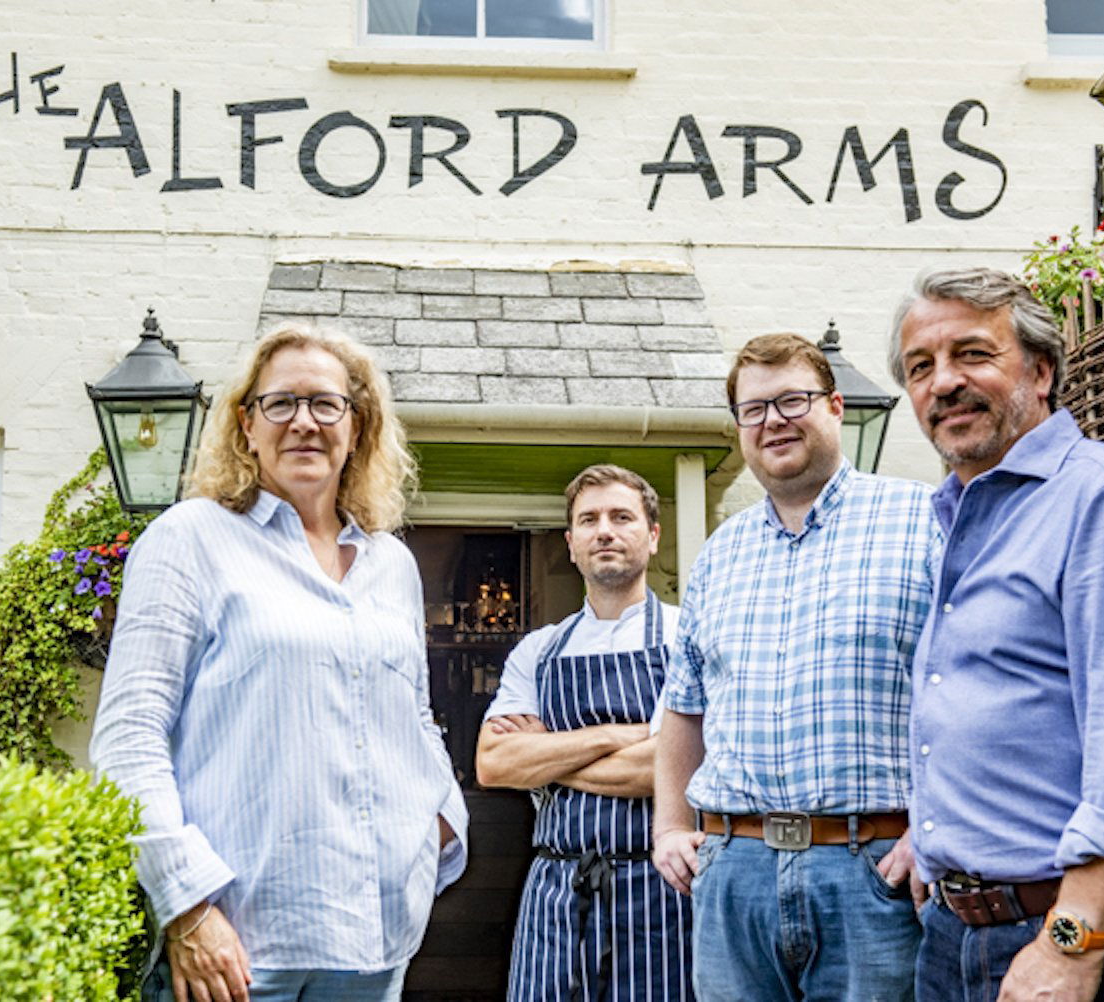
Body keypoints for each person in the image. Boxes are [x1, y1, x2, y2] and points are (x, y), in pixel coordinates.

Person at [90, 322, 468, 1002]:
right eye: (280, 403)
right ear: (246, 423)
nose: (304, 422)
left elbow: (413, 716)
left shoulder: (392, 565)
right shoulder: (190, 539)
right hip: (237, 953)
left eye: (326, 404)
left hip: (376, 941)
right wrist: (187, 906)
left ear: (357, 426)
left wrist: (440, 829)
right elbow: (128, 734)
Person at [890, 267, 1104, 1002]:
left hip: (1070, 937)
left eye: (972, 354)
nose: (943, 383)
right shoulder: (959, 520)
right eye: (921, 368)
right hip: (957, 936)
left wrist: (1075, 942)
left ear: (1041, 372)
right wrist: (938, 832)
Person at [652, 333, 942, 1001]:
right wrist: (670, 825)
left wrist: (937, 825)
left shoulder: (922, 520)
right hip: (734, 873)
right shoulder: (720, 554)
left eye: (792, 400)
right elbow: (683, 704)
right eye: (754, 409)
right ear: (739, 427)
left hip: (874, 870)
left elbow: (967, 690)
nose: (773, 421)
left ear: (836, 407)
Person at [475, 464, 692, 1002]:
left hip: (660, 887)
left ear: (652, 535)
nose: (605, 530)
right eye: (589, 520)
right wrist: (626, 735)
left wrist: (548, 755)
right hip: (555, 888)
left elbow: (674, 768)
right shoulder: (538, 650)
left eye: (622, 517)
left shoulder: (687, 636)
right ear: (571, 544)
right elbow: (495, 763)